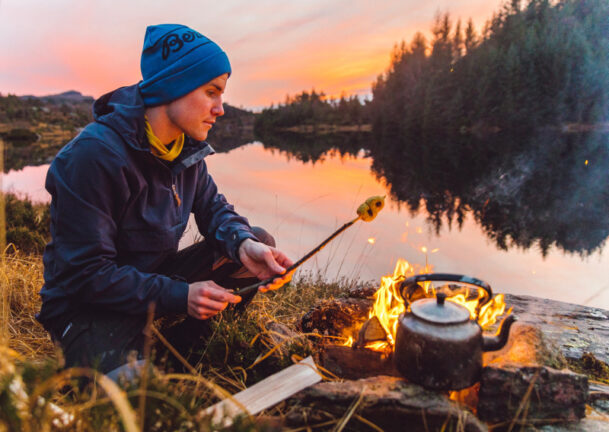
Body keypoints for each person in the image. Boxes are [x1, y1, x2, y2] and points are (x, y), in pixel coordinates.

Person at [36, 24, 293, 378]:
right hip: (85, 307)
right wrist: (177, 295)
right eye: (211, 92)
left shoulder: (185, 152)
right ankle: (133, 362)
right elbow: (84, 275)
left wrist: (243, 244)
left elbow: (215, 211)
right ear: (174, 86)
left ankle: (182, 352)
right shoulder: (92, 157)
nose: (220, 109)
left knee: (257, 243)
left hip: (151, 284)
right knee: (138, 397)